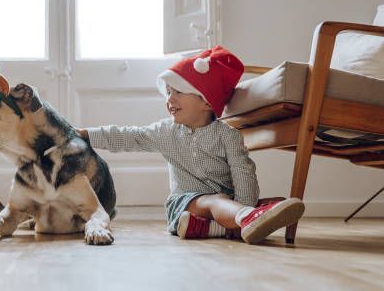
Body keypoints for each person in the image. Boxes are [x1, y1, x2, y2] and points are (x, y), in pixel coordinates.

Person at [78, 46, 304, 244]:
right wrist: (89, 134)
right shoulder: (166, 132)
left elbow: (243, 173)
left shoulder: (228, 136)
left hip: (222, 206)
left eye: (178, 92)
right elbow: (130, 137)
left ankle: (220, 226)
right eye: (168, 92)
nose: (169, 99)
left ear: (206, 101)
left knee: (265, 203)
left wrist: (244, 204)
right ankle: (246, 218)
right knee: (217, 201)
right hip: (184, 205)